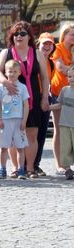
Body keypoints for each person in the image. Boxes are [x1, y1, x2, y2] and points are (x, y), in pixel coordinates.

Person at [0, 21, 49, 179]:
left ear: (29, 37)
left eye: (23, 33)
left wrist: (45, 96)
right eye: (16, 34)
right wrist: (5, 82)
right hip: (10, 100)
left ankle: (30, 168)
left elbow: (44, 77)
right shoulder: (6, 53)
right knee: (12, 137)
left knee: (31, 135)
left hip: (32, 99)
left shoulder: (36, 53)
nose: (19, 36)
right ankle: (16, 168)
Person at [0, 60, 29, 179]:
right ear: (5, 72)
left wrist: (24, 120)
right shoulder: (1, 88)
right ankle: (2, 169)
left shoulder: (23, 87)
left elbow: (26, 105)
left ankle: (21, 170)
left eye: (15, 71)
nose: (12, 74)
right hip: (5, 120)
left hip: (18, 120)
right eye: (10, 71)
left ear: (19, 72)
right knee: (3, 147)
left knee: (20, 147)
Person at [49, 23, 74, 175]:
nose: (73, 37)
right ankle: (60, 164)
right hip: (59, 92)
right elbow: (60, 67)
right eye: (71, 34)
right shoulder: (58, 48)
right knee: (59, 129)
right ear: (64, 35)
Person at [36, 32, 55, 176]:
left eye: (50, 44)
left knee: (42, 133)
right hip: (33, 98)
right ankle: (26, 164)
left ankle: (36, 164)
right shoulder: (34, 60)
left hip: (45, 98)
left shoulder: (51, 63)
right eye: (44, 43)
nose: (47, 46)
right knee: (32, 133)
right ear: (39, 44)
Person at [51, 66, 74, 180]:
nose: (71, 79)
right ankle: (67, 169)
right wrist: (49, 107)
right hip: (65, 124)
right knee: (65, 147)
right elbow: (59, 105)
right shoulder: (64, 90)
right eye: (69, 76)